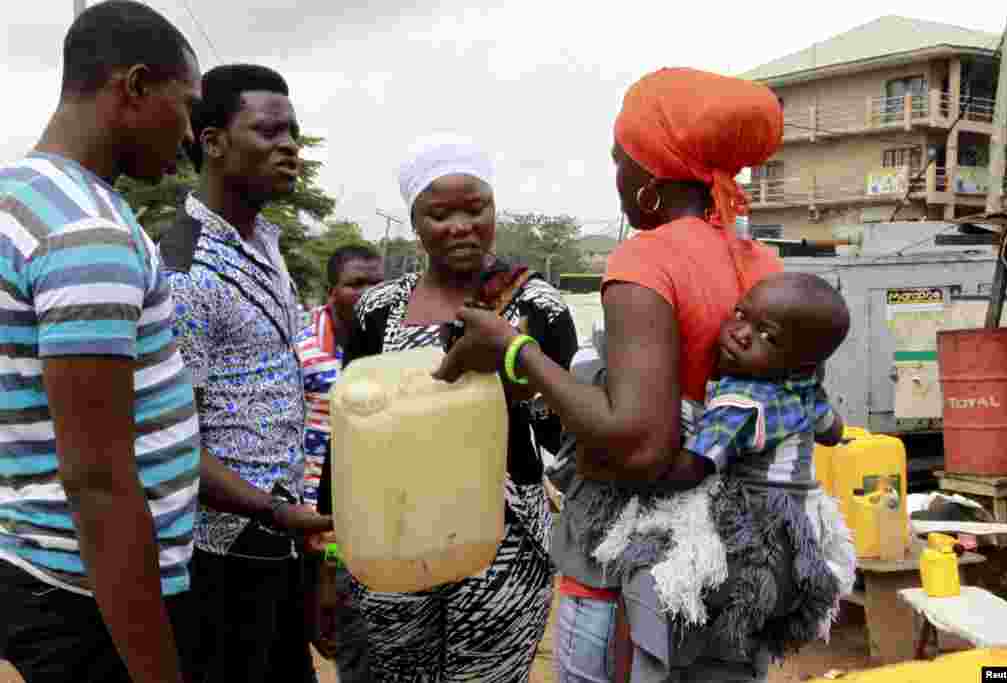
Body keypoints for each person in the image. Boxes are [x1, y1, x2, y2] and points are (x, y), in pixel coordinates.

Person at [433, 67, 800, 682]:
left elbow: (638, 439)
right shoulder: (760, 260)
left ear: (653, 174)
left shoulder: (648, 256)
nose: (618, 178)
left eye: (619, 161)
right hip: (730, 572)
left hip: (633, 578)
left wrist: (514, 348)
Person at [316, 133, 579, 682]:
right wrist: (331, 557)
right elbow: (348, 430)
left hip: (501, 540)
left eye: (474, 208)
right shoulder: (379, 309)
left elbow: (566, 434)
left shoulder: (536, 306)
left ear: (494, 210)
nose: (460, 225)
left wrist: (519, 381)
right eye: (440, 214)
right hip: (391, 530)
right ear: (415, 223)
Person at [0, 3, 202, 682]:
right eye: (186, 106)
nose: (190, 135)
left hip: (38, 563)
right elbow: (98, 480)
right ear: (135, 87)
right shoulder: (87, 231)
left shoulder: (18, 198)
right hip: (86, 594)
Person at [585, 272, 856, 680]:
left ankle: (647, 673)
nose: (741, 333)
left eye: (767, 335)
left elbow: (692, 469)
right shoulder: (805, 388)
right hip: (797, 535)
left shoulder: (741, 403)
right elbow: (834, 431)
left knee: (647, 582)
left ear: (804, 360)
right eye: (741, 315)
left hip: (750, 532)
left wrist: (633, 468)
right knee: (742, 644)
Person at [160, 64, 331, 683]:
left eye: (294, 134)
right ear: (212, 142)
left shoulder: (265, 244)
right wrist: (270, 510)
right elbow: (167, 440)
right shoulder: (185, 271)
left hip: (275, 540)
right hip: (218, 555)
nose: (289, 148)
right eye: (269, 132)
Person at [295, 244, 384, 678]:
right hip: (305, 514)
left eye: (376, 283)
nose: (368, 293)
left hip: (374, 515)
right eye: (356, 284)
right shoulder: (301, 342)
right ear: (333, 292)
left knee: (360, 640)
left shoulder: (397, 340)